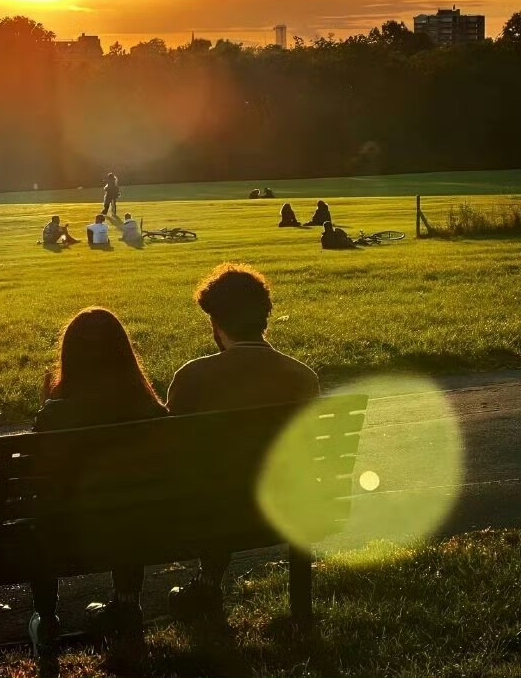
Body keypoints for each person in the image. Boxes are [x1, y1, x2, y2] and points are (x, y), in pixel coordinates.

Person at [166, 264, 319, 620]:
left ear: (216, 323)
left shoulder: (192, 377)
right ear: (265, 317)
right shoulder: (302, 377)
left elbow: (174, 456)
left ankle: (206, 584)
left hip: (212, 511)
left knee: (215, 480)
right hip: (288, 507)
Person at [29, 307, 166, 674]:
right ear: (125, 354)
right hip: (145, 526)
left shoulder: (56, 415)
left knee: (40, 520)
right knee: (127, 505)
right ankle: (127, 602)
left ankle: (47, 617)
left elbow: (42, 483)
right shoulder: (152, 413)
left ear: (69, 358)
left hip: (67, 535)